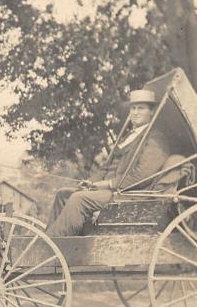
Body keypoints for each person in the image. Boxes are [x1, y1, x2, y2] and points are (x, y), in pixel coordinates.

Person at [48, 89, 170, 236]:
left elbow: (141, 177)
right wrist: (90, 183)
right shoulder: (128, 137)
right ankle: (48, 238)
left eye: (141, 108)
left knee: (78, 199)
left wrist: (107, 184)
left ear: (152, 111)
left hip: (128, 195)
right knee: (63, 194)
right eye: (133, 108)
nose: (135, 112)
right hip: (107, 192)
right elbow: (105, 168)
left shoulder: (156, 139)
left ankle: (49, 248)